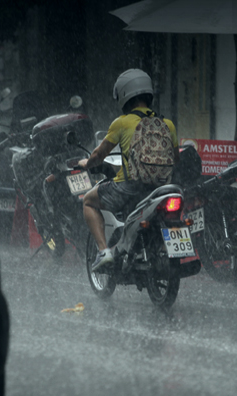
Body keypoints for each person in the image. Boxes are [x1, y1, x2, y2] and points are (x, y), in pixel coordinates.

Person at [78, 69, 178, 271]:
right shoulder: (168, 124)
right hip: (162, 188)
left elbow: (99, 155)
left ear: (124, 95)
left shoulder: (121, 123)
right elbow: (176, 159)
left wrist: (86, 164)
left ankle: (104, 252)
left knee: (88, 200)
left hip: (130, 188)